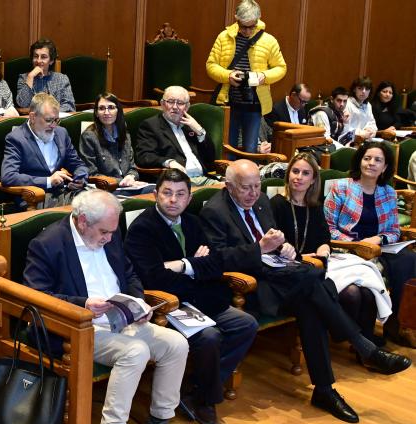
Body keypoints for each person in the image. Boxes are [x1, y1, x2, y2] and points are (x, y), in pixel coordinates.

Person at [200, 160, 409, 423]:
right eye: (246, 188)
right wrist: (260, 249)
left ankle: (325, 389)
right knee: (316, 283)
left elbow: (276, 240)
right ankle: (363, 348)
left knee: (313, 296)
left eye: (257, 186)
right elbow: (218, 260)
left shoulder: (262, 200)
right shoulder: (215, 211)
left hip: (282, 278)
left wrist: (284, 248)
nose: (254, 193)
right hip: (252, 287)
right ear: (229, 186)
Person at [23, 188, 192, 424]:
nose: (109, 239)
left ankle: (158, 423)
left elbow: (131, 274)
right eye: (104, 232)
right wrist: (82, 304)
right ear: (82, 221)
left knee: (176, 344)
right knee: (135, 352)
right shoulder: (48, 244)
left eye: (113, 232)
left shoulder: (109, 236)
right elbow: (36, 298)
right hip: (77, 328)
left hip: (121, 323)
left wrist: (138, 304)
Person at [124, 169, 257, 424]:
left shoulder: (193, 223)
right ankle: (205, 399)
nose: (173, 200)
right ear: (155, 195)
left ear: (187, 199)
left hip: (202, 298)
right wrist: (197, 266)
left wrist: (183, 265)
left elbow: (216, 264)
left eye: (180, 194)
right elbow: (154, 280)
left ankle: (197, 388)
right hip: (169, 305)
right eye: (167, 193)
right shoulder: (142, 229)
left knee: (246, 324)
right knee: (210, 336)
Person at [270, 153, 402, 356]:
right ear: (288, 175)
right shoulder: (277, 204)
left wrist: (323, 249)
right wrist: (304, 257)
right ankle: (358, 343)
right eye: (295, 171)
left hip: (320, 263)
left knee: (366, 291)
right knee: (351, 293)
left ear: (313, 179)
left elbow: (325, 238)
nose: (299, 177)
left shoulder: (314, 206)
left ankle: (365, 345)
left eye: (306, 173)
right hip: (293, 266)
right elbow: (275, 243)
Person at [325, 141, 416, 349]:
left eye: (378, 160)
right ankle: (362, 335)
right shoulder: (341, 187)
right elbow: (328, 228)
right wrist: (356, 244)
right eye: (367, 158)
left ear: (384, 167)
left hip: (378, 247)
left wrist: (378, 240)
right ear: (360, 161)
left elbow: (393, 231)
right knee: (377, 266)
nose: (371, 163)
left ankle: (398, 325)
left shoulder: (389, 193)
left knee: (410, 259)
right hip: (346, 248)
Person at [206, 0, 286, 154]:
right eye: (244, 26)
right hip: (228, 102)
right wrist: (228, 75)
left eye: (252, 26)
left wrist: (263, 76)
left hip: (255, 103)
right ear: (236, 19)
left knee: (251, 149)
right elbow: (210, 65)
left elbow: (281, 68)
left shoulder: (269, 40)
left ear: (259, 19)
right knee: (228, 149)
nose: (248, 31)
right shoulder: (224, 37)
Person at [1, 93, 89, 208]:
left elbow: (78, 164)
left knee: (98, 202)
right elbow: (8, 177)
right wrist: (48, 181)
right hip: (35, 198)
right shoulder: (16, 138)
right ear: (32, 117)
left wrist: (79, 178)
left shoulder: (61, 133)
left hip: (63, 193)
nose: (53, 126)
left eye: (56, 120)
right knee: (87, 208)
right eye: (49, 120)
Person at [135, 86, 218, 186]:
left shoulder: (191, 125)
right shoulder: (151, 126)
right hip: (177, 182)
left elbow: (210, 157)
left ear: (187, 107)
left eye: (180, 103)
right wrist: (169, 162)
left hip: (203, 178)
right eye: (170, 101)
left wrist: (200, 132)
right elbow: (144, 156)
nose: (175, 107)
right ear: (162, 104)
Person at [79, 93, 147, 193]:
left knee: (155, 191)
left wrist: (131, 176)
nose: (107, 112)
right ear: (96, 113)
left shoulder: (125, 135)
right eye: (101, 108)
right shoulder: (89, 137)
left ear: (118, 111)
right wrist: (121, 182)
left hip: (128, 185)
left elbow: (133, 168)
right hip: (105, 189)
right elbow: (91, 173)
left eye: (111, 107)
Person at [15, 38, 75, 112]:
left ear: (51, 60)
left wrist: (46, 112)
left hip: (56, 120)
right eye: (36, 56)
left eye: (43, 57)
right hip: (33, 122)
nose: (38, 60)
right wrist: (30, 77)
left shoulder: (62, 79)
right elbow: (22, 104)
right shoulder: (24, 78)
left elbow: (69, 107)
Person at [342, 76, 378, 142]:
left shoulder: (368, 105)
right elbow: (345, 128)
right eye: (360, 88)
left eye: (367, 89)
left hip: (366, 139)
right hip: (350, 140)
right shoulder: (347, 103)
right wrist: (361, 133)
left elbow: (372, 123)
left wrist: (371, 130)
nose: (364, 91)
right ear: (354, 89)